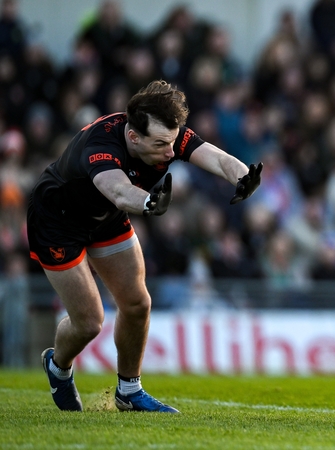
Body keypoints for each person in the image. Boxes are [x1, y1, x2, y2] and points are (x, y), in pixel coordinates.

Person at [28, 80, 262, 413]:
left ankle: (129, 391)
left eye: (173, 142)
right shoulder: (100, 147)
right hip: (57, 224)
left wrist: (244, 176)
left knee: (137, 304)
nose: (171, 153)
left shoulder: (164, 133)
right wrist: (150, 202)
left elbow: (216, 157)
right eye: (162, 145)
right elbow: (121, 192)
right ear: (133, 136)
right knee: (90, 322)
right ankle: (58, 368)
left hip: (104, 218)